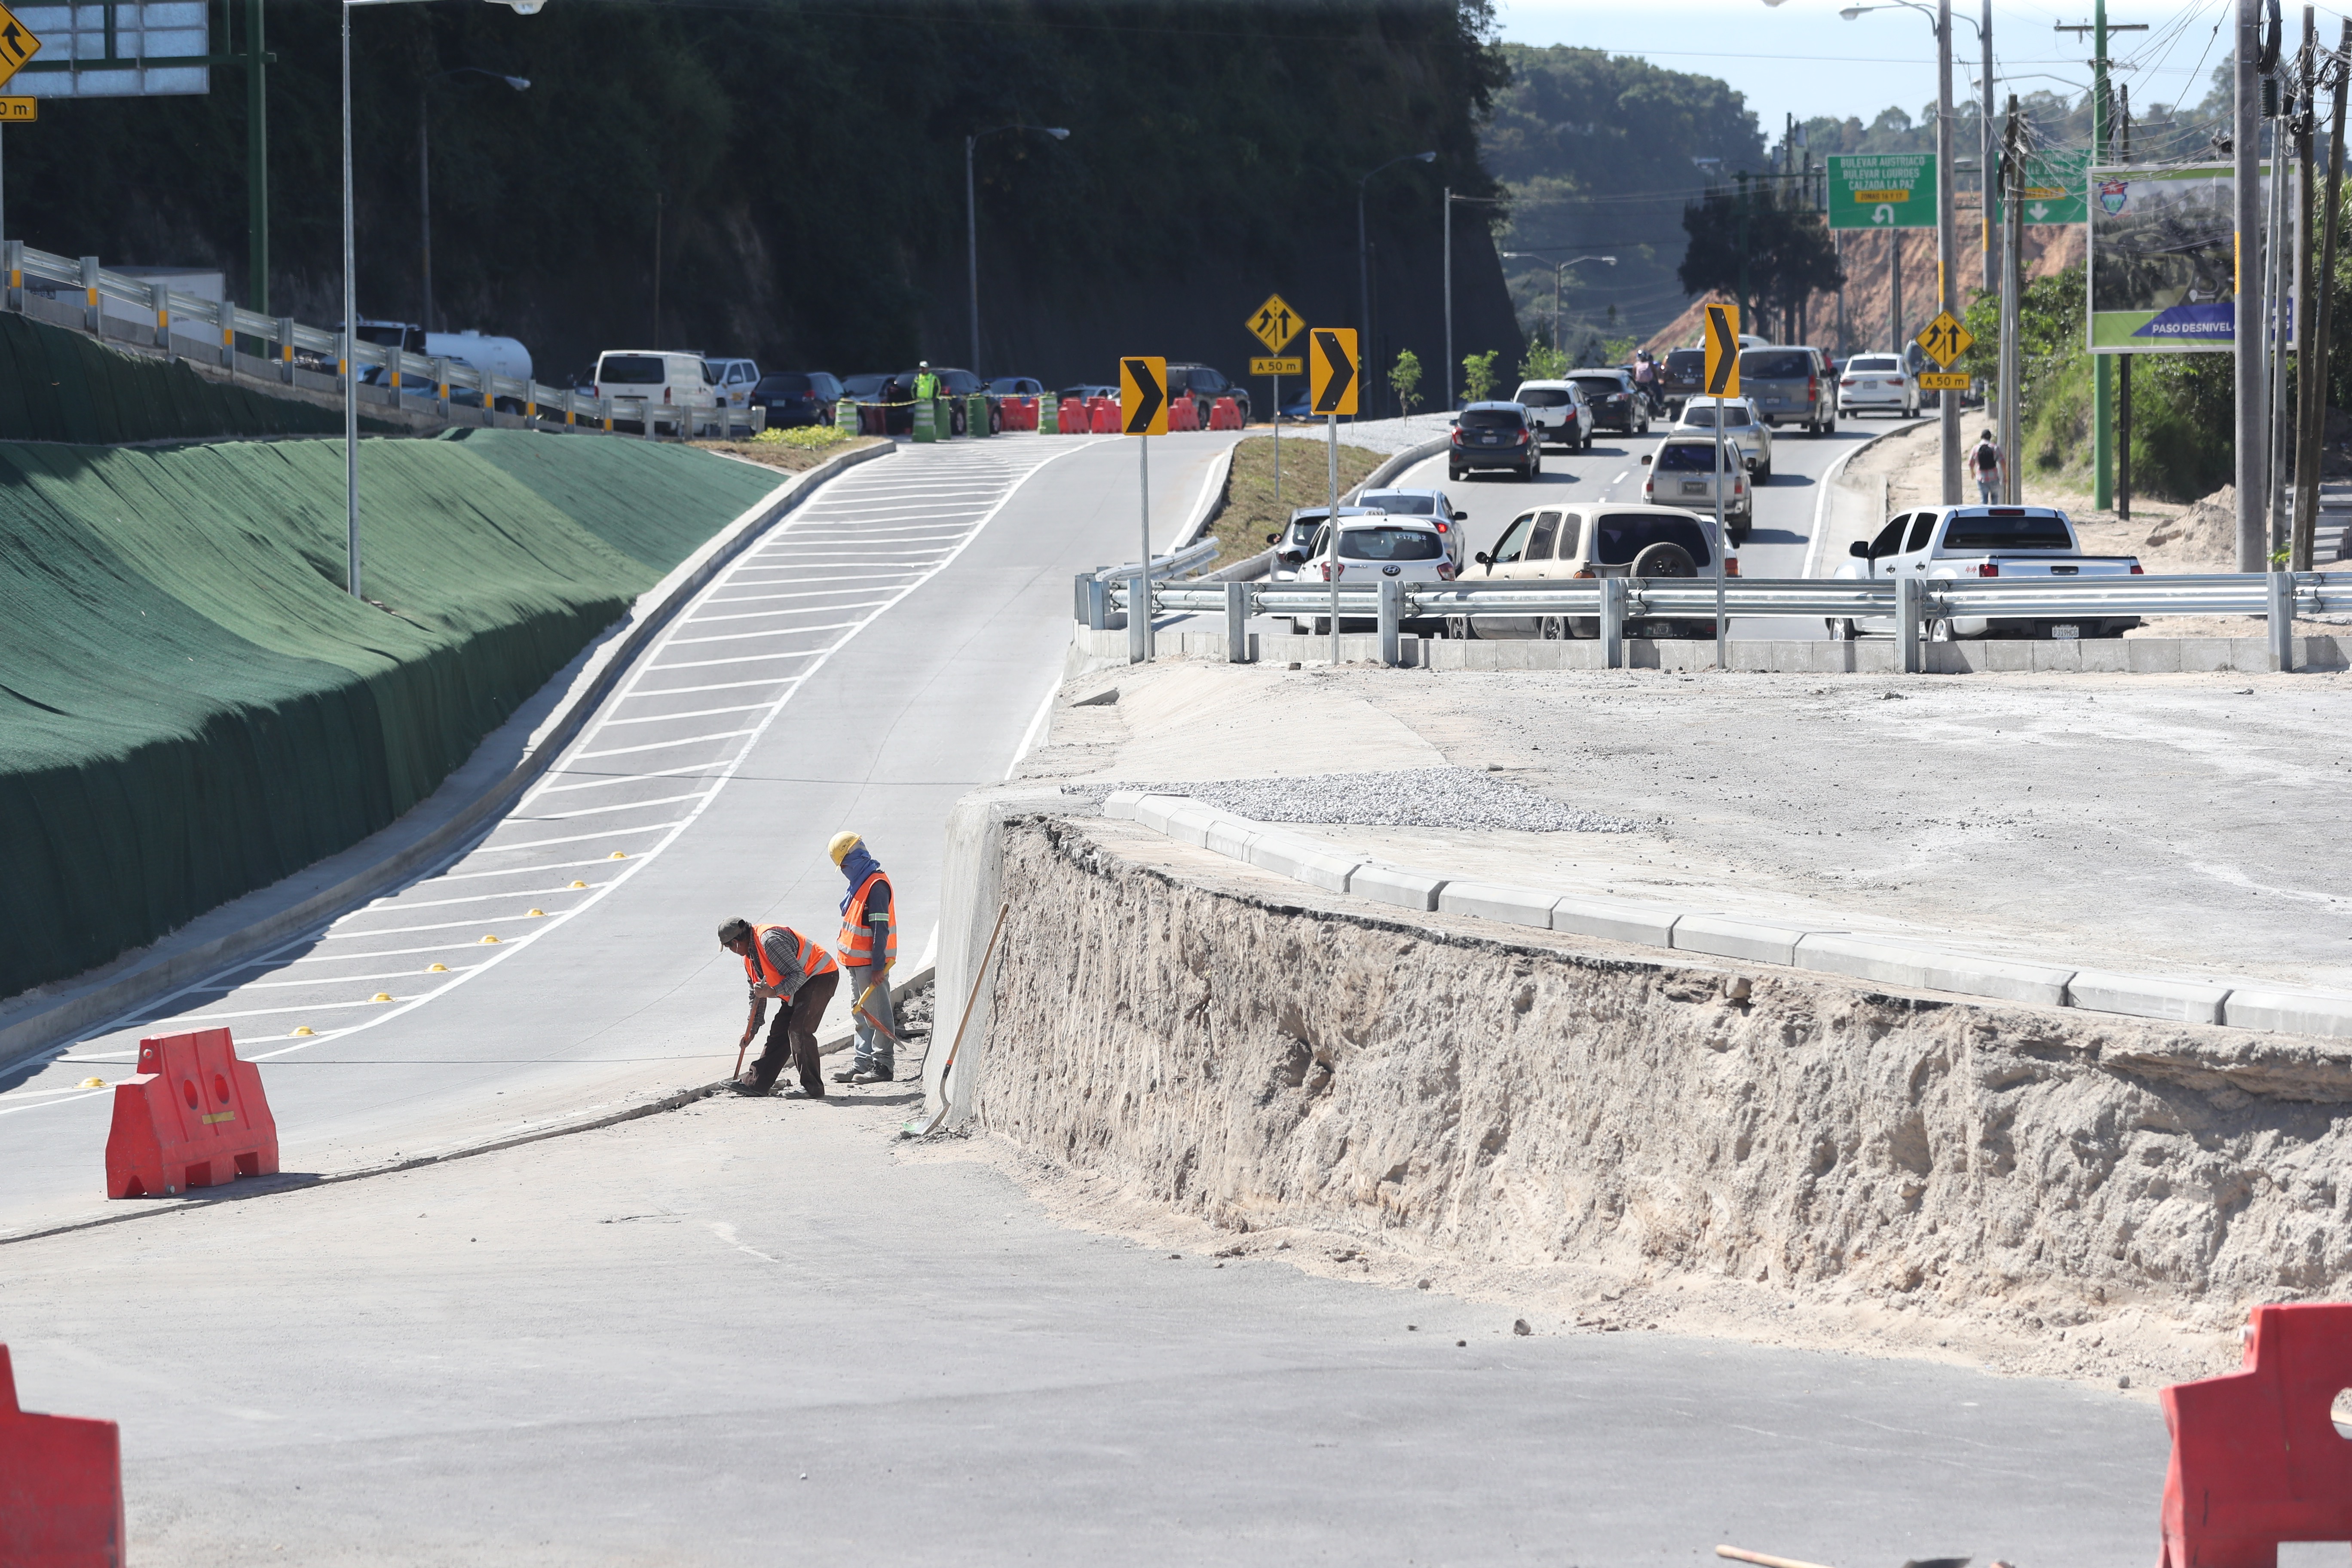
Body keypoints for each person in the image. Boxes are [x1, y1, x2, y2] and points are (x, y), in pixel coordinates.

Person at [719, 916, 838, 1098]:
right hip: (801, 985)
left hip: (820, 975)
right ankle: (755, 1084)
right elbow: (757, 995)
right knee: (780, 1032)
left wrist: (774, 991)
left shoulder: (770, 941)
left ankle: (812, 1087)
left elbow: (797, 975)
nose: (732, 952)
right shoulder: (749, 957)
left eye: (729, 948)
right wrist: (752, 1030)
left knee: (799, 1030)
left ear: (735, 943)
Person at [827, 832, 900, 1084]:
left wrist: (878, 968)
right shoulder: (859, 884)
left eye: (845, 865)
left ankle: (883, 1065)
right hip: (856, 964)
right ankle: (862, 1062)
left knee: (877, 1014)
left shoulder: (875, 886)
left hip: (871, 965)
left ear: (855, 859)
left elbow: (881, 930)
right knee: (861, 1014)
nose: (845, 870)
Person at [1972, 429, 2004, 504]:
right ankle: (1994, 515)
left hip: (1981, 478)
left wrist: (1972, 473)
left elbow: (1971, 463)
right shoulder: (1995, 447)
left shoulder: (1976, 448)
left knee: (1984, 500)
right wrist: (2005, 475)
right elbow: (2003, 462)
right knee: (1995, 499)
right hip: (1994, 478)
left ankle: (1984, 515)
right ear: (1990, 437)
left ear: (1982, 437)